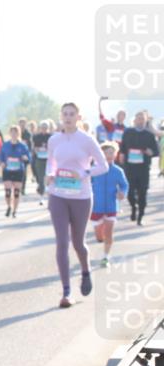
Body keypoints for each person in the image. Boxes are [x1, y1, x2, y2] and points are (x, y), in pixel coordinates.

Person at [44, 102, 109, 308]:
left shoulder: (87, 140)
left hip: (81, 196)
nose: (68, 117)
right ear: (61, 116)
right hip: (58, 195)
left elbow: (103, 166)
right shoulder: (54, 139)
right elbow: (50, 163)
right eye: (65, 114)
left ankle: (86, 271)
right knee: (61, 242)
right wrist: (49, 175)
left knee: (78, 243)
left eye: (72, 114)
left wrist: (84, 173)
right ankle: (66, 292)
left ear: (78, 117)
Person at [90, 142, 129, 267]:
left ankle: (105, 257)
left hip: (112, 205)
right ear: (100, 154)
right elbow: (85, 182)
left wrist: (122, 192)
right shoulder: (94, 170)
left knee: (109, 233)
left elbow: (124, 185)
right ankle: (100, 237)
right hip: (96, 207)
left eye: (112, 152)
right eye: (106, 153)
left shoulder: (118, 171)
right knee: (99, 235)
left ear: (115, 154)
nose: (109, 155)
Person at [119, 110, 159, 225]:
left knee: (142, 193)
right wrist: (122, 154)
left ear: (146, 120)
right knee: (130, 192)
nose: (140, 120)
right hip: (130, 167)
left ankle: (140, 217)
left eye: (142, 118)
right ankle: (133, 208)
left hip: (143, 169)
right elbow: (123, 147)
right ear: (135, 120)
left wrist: (149, 152)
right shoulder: (128, 132)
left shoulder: (149, 135)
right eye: (138, 118)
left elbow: (155, 152)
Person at [0, 125, 30, 218]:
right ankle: (9, 206)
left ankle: (15, 210)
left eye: (15, 132)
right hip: (7, 170)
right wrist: (2, 163)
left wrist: (25, 158)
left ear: (18, 133)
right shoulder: (5, 145)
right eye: (12, 132)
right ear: (9, 133)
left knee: (16, 192)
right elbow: (1, 156)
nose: (14, 134)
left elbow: (28, 158)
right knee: (7, 192)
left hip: (18, 170)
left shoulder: (23, 146)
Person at [32, 121, 53, 206]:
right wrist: (38, 150)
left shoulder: (51, 137)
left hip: (49, 160)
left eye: (46, 127)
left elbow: (52, 148)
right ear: (40, 128)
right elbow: (34, 147)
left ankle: (50, 198)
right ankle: (41, 197)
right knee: (40, 178)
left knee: (48, 178)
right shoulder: (36, 137)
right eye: (43, 127)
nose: (44, 129)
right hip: (39, 159)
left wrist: (47, 151)